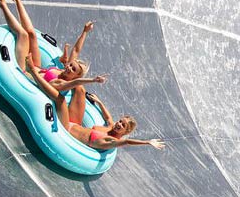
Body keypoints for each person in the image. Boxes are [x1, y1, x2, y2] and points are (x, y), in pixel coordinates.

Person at [25, 56, 165, 152]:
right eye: (120, 121)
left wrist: (147, 142)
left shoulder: (110, 141)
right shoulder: (111, 127)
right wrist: (99, 102)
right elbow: (108, 117)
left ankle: (35, 74)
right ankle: (59, 76)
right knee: (79, 89)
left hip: (66, 128)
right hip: (75, 124)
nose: (119, 124)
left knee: (60, 100)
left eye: (122, 125)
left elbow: (127, 142)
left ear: (125, 132)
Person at [0, 0, 106, 91]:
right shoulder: (65, 69)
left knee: (23, 35)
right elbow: (76, 50)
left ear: (75, 76)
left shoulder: (63, 83)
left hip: (25, 74)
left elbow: (77, 83)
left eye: (73, 69)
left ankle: (2, 4)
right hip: (36, 66)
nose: (69, 67)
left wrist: (93, 80)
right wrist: (85, 32)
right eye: (71, 65)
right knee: (32, 34)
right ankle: (17, 0)